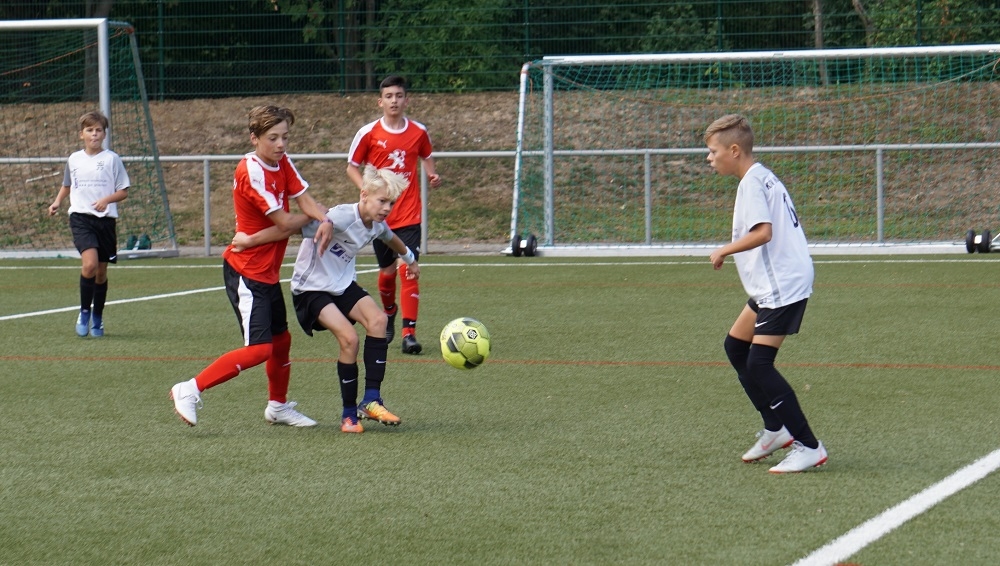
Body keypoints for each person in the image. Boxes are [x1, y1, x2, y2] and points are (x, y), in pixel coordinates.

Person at [169, 105, 333, 428]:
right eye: (273, 137)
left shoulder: (282, 161)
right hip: (246, 271)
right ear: (254, 138)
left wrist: (323, 217)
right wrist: (314, 217)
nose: (281, 144)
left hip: (266, 271)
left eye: (285, 136)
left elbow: (305, 198)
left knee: (281, 341)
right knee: (259, 349)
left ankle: (278, 407)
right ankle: (189, 389)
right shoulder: (251, 171)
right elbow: (284, 222)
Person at [234, 165, 418, 433]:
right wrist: (249, 241)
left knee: (379, 321)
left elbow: (391, 238)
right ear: (364, 195)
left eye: (391, 203)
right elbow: (289, 229)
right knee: (349, 339)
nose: (387, 208)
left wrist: (410, 260)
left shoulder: (376, 224)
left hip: (341, 286)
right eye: (382, 201)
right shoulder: (340, 217)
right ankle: (348, 416)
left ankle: (371, 400)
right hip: (310, 289)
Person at [705, 114, 828, 474]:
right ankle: (776, 429)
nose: (709, 158)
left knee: (759, 363)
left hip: (782, 284)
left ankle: (809, 446)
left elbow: (763, 233)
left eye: (713, 151)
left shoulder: (752, 184)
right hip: (774, 283)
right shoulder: (760, 176)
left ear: (734, 150)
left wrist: (724, 250)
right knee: (735, 347)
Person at [347, 74, 441, 355]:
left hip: (409, 215)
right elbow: (351, 166)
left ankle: (408, 334)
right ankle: (389, 311)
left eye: (399, 96)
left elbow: (426, 154)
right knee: (387, 274)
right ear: (380, 102)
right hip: (380, 217)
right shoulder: (368, 133)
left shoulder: (418, 131)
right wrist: (366, 189)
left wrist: (432, 174)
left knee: (408, 268)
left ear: (406, 100)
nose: (394, 101)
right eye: (389, 96)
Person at [47, 111, 130, 338]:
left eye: (98, 130)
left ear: (104, 134)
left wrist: (106, 200)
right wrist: (57, 202)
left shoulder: (112, 159)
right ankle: (84, 312)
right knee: (90, 265)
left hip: (105, 222)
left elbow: (123, 191)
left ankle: (98, 317)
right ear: (81, 134)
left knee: (101, 273)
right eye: (89, 130)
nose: (94, 134)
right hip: (81, 218)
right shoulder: (74, 159)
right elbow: (67, 184)